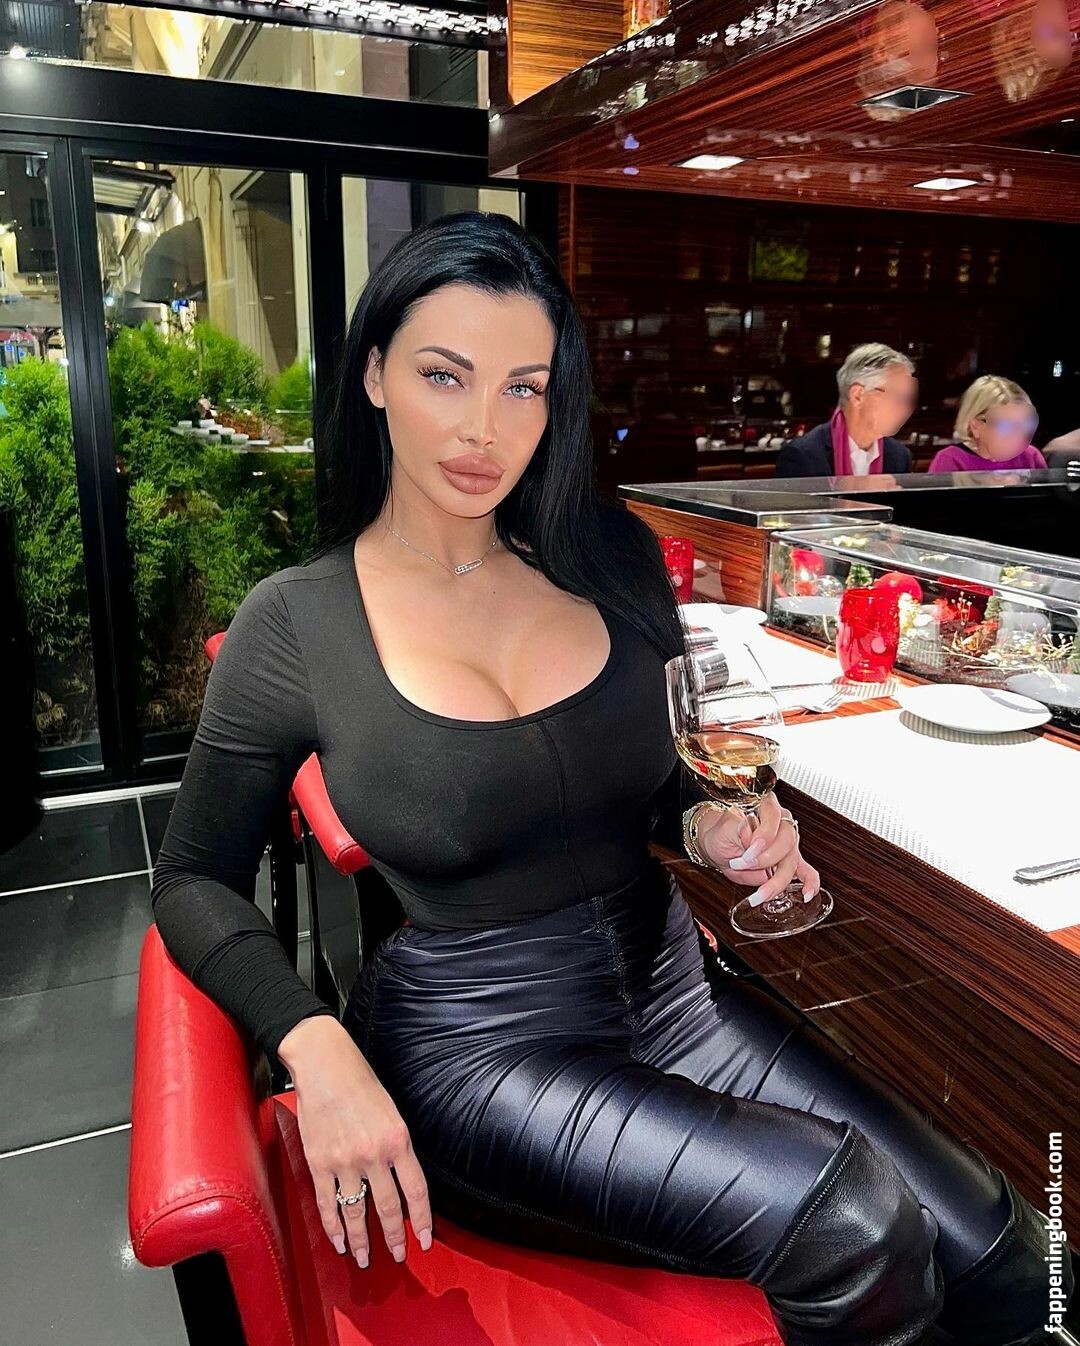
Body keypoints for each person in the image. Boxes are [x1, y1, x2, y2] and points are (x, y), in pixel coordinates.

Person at [150, 213, 1070, 1345]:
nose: (484, 428)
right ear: (376, 375)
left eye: (524, 388)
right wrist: (313, 1040)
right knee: (856, 1224)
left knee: (1001, 1242)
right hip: (478, 1048)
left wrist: (714, 825)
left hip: (674, 990)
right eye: (445, 375)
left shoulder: (609, 556)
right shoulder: (296, 622)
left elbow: (653, 782)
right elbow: (192, 878)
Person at [776, 342, 916, 477]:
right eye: (896, 396)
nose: (905, 408)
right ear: (857, 395)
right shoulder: (802, 456)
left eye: (907, 398)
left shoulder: (899, 457)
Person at [928, 376, 1048, 473]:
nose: (1017, 436)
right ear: (975, 426)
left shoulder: (1031, 456)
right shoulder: (950, 460)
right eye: (1005, 426)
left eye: (1025, 424)